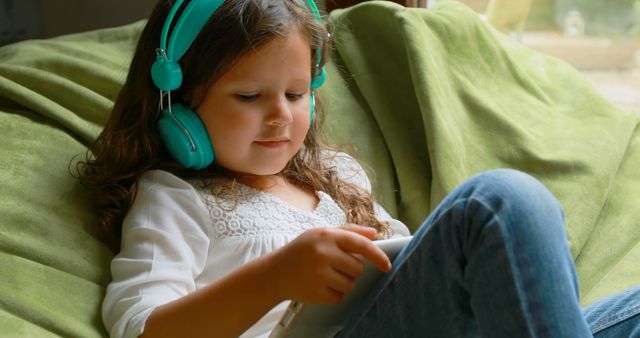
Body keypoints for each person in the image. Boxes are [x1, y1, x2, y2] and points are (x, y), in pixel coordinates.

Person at [77, 0, 640, 337]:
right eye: (249, 97)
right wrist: (276, 277)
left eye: (297, 94)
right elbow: (141, 328)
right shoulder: (174, 198)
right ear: (179, 106)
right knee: (499, 203)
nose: (280, 116)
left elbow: (420, 273)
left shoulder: (338, 175)